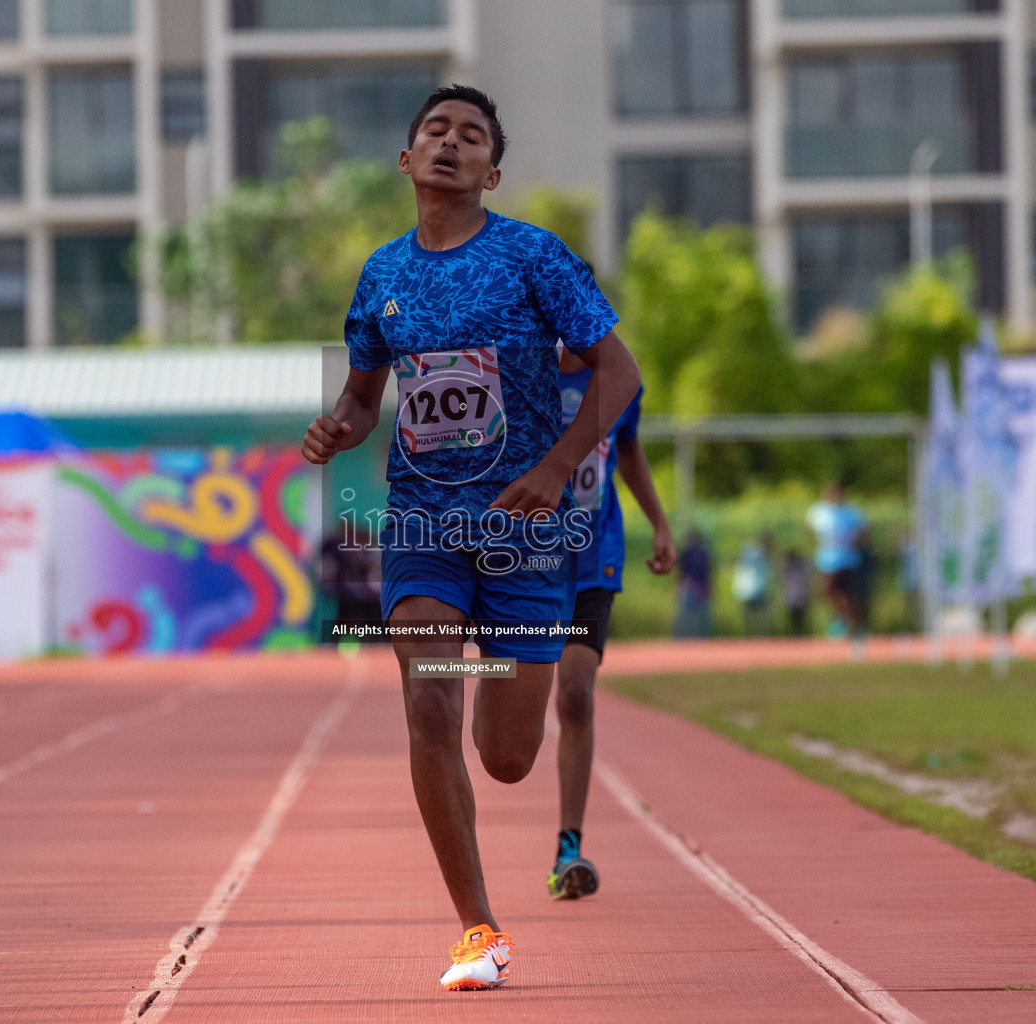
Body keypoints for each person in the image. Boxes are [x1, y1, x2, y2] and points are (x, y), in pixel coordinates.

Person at [301, 84, 640, 992]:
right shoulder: (382, 276)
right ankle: (478, 930)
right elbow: (366, 398)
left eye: (472, 136)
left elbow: (619, 371)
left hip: (527, 533)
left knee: (507, 757)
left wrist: (553, 467)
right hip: (422, 523)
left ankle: (486, 665)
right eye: (435, 131)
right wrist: (338, 426)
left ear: (492, 170)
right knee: (428, 703)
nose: (451, 144)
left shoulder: (535, 257)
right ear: (408, 160)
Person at [549, 345, 674, 901]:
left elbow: (629, 450)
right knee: (506, 727)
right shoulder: (519, 369)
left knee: (575, 696)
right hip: (524, 561)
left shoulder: (619, 378)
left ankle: (568, 847)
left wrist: (659, 523)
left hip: (593, 560)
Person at [806, 483, 866, 647]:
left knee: (845, 593)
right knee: (828, 591)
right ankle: (845, 621)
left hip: (846, 559)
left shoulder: (850, 512)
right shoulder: (819, 512)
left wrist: (855, 543)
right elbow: (809, 531)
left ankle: (850, 625)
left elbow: (862, 531)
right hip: (826, 560)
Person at [732, 531, 773, 636]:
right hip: (749, 590)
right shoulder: (752, 552)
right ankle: (751, 636)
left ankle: (760, 635)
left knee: (760, 615)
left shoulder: (763, 557)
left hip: (758, 590)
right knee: (751, 615)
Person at [673, 528, 712, 637]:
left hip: (701, 588)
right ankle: (684, 639)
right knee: (686, 617)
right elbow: (681, 571)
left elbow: (708, 573)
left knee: (700, 617)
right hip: (690, 587)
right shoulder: (687, 553)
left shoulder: (704, 554)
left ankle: (700, 638)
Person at [782, 548, 811, 636]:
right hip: (792, 597)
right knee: (793, 620)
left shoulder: (800, 567)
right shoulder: (787, 568)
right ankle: (795, 636)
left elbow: (808, 563)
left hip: (800, 596)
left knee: (801, 620)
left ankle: (801, 635)